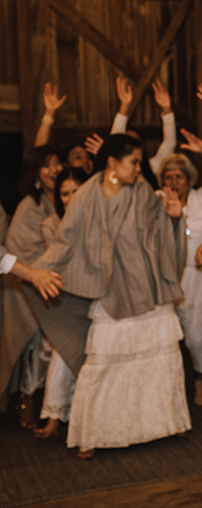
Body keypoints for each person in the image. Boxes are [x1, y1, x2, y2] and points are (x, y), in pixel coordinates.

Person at [31, 134, 190, 458]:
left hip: (147, 290)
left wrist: (174, 218)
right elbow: (66, 240)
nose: (138, 167)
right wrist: (36, 271)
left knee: (158, 364)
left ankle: (161, 425)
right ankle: (93, 433)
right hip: (111, 292)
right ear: (113, 163)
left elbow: (159, 235)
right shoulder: (87, 195)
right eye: (133, 161)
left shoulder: (143, 190)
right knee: (101, 368)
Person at [157, 126, 202, 407]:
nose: (173, 181)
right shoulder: (155, 199)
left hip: (194, 274)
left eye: (179, 176)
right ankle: (169, 391)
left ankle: (200, 381)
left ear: (189, 180)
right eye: (168, 176)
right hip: (164, 276)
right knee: (165, 335)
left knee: (196, 335)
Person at [0, 145, 63, 428]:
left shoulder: (65, 198)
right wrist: (34, 274)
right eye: (47, 165)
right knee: (37, 343)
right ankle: (25, 399)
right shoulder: (29, 206)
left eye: (57, 163)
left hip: (52, 281)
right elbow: (17, 246)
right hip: (25, 286)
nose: (55, 169)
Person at [34, 167, 88, 438]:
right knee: (62, 353)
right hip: (67, 298)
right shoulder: (51, 224)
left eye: (76, 191)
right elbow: (54, 263)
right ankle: (55, 418)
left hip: (96, 295)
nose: (70, 198)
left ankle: (85, 418)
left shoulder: (99, 217)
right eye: (65, 193)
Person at [110, 76, 176, 188]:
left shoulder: (153, 166)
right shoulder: (113, 170)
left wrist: (166, 110)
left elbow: (170, 144)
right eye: (127, 142)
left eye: (135, 142)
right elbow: (113, 143)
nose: (132, 146)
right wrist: (124, 107)